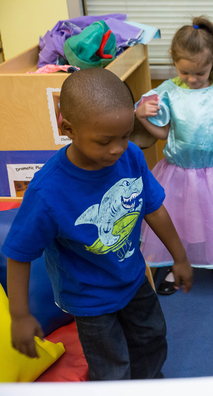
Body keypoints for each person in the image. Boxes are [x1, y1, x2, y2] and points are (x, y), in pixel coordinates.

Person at [3, 68, 194, 380]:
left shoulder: (130, 156)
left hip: (132, 278)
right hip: (88, 295)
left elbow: (153, 208)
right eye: (105, 141)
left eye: (125, 136)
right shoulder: (47, 192)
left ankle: (148, 388)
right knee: (111, 366)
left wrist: (181, 257)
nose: (117, 149)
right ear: (68, 128)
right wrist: (20, 316)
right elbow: (19, 253)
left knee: (152, 339)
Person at [136, 16, 213, 294]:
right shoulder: (167, 93)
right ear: (173, 60)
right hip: (180, 172)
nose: (192, 79)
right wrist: (142, 116)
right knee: (181, 220)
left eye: (200, 74)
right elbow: (163, 133)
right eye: (185, 72)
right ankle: (178, 262)